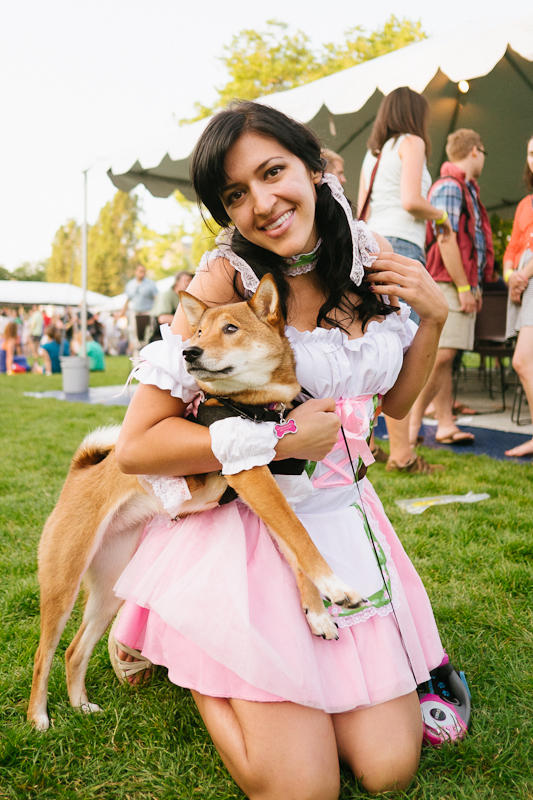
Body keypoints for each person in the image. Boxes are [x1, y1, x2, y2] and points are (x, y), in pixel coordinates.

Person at [111, 101, 447, 798]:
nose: (262, 204)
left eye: (273, 173)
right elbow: (139, 446)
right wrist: (279, 436)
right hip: (248, 530)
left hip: (343, 525)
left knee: (388, 770)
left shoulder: (368, 259)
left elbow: (394, 405)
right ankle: (193, 650)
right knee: (301, 789)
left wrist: (434, 317)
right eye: (235, 194)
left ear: (313, 167)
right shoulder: (221, 284)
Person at [358, 87, 453, 474]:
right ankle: (402, 455)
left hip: (371, 245)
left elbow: (361, 208)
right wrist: (442, 218)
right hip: (400, 246)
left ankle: (366, 444)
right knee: (402, 349)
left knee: (369, 346)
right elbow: (413, 200)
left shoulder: (373, 153)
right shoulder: (411, 141)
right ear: (415, 115)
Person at [410, 129, 494, 447]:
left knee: (445, 358)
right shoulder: (449, 186)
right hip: (448, 280)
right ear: (475, 150)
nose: (484, 159)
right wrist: (463, 286)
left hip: (455, 281)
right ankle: (411, 425)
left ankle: (445, 423)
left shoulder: (465, 187)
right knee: (442, 355)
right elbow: (446, 238)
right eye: (484, 152)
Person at [502, 134, 533, 458]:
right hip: (524, 284)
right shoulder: (525, 204)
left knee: (523, 361)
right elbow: (512, 248)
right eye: (531, 153)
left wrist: (523, 275)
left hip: (530, 280)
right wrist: (512, 276)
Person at [148, 270, 193, 342]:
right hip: (158, 337)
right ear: (177, 282)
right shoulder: (166, 295)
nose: (190, 283)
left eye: (191, 281)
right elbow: (163, 319)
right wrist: (189, 323)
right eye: (187, 280)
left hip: (176, 336)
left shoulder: (187, 297)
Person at [122, 265, 159, 346]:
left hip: (148, 313)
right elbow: (128, 300)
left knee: (147, 334)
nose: (142, 274)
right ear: (136, 272)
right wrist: (122, 313)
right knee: (135, 334)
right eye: (140, 272)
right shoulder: (130, 285)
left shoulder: (151, 284)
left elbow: (157, 299)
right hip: (135, 313)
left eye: (144, 272)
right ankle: (137, 353)